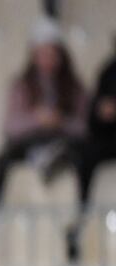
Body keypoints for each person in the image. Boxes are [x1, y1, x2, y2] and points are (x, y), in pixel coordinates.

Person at [0, 18, 88, 206]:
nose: (47, 58)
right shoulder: (21, 86)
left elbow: (83, 128)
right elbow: (10, 126)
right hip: (29, 142)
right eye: (42, 53)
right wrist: (37, 119)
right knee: (1, 160)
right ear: (34, 55)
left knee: (81, 155)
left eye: (52, 53)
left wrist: (60, 121)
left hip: (64, 141)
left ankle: (80, 216)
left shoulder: (75, 87)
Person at [77, 44, 116, 203]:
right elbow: (94, 116)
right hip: (109, 137)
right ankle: (83, 211)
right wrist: (101, 112)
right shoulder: (109, 72)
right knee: (85, 154)